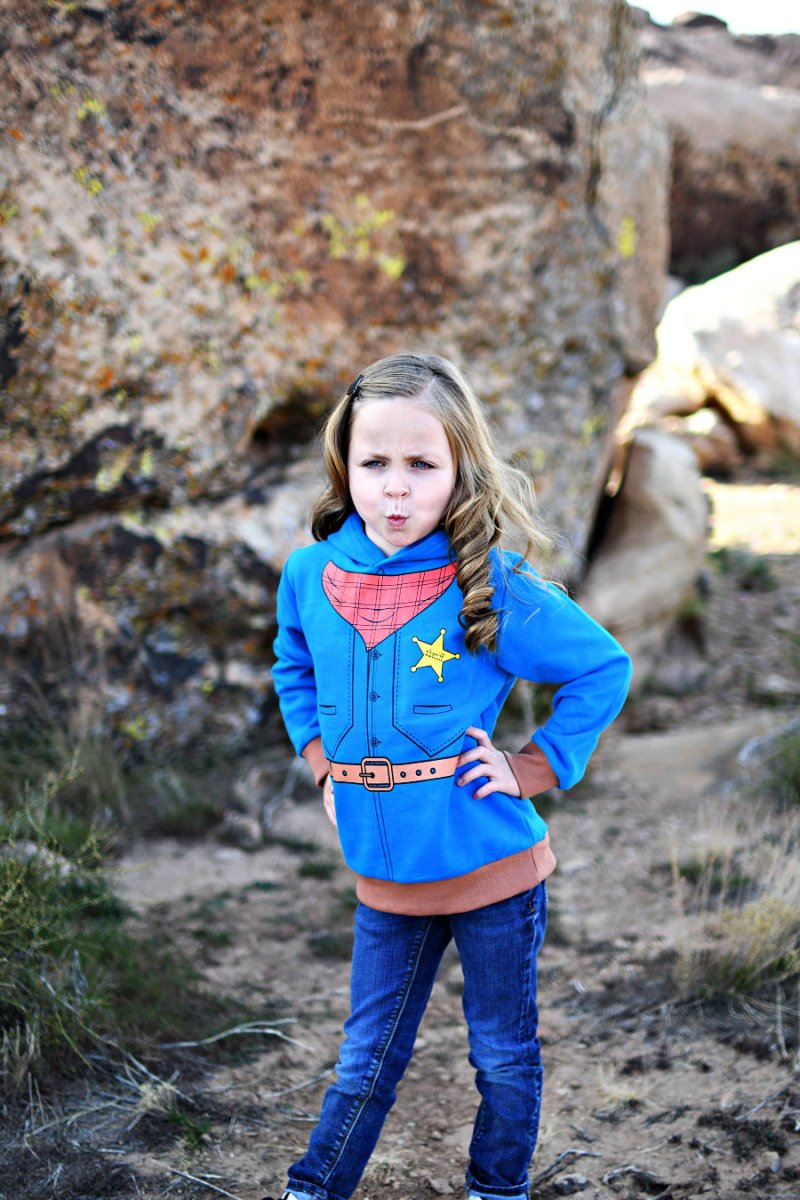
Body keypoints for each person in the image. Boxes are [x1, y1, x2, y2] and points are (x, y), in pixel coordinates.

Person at [267, 353, 631, 1200]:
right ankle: (313, 1189)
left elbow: (601, 668)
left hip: (491, 867)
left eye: (423, 465)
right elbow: (294, 665)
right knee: (368, 1054)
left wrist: (532, 763)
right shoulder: (308, 577)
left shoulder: (490, 584)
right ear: (343, 467)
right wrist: (322, 762)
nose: (396, 489)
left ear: (460, 467)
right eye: (374, 464)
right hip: (384, 876)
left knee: (502, 1053)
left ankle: (496, 1190)